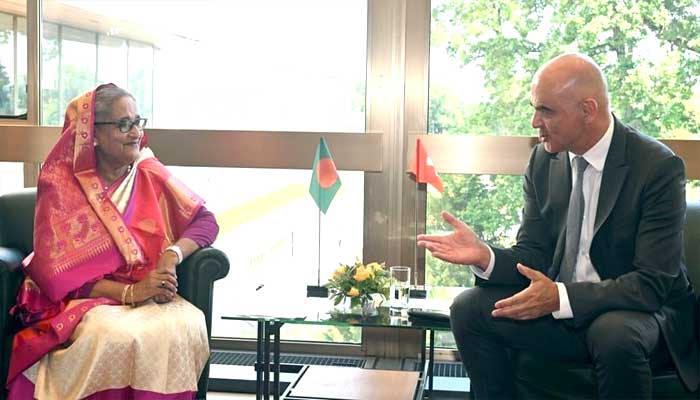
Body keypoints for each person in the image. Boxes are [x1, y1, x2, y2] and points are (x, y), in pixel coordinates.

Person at [417, 53, 698, 399]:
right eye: (534, 109)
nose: (535, 121)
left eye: (546, 111)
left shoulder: (657, 167)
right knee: (468, 309)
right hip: (563, 310)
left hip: (636, 313)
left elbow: (651, 284)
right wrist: (485, 256)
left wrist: (561, 296)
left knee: (613, 334)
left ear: (588, 110)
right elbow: (534, 252)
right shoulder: (544, 159)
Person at [5, 84, 220, 399]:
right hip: (81, 298)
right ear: (92, 134)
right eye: (123, 124)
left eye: (137, 122)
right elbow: (59, 279)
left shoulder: (148, 172)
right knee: (116, 335)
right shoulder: (62, 186)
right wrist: (131, 292)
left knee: (186, 324)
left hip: (149, 293)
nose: (136, 133)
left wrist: (171, 256)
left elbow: (206, 221)